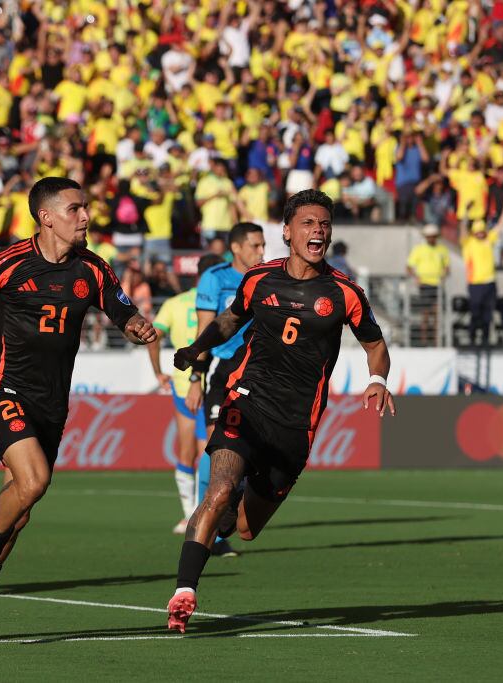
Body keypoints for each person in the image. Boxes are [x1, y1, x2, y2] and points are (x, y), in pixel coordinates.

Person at [0, 177, 156, 645]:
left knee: (22, 506)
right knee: (34, 482)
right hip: (0, 387)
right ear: (46, 217)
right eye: (75, 209)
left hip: (53, 401)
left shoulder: (94, 268)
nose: (86, 217)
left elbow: (122, 312)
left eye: (86, 207)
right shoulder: (7, 263)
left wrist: (137, 326)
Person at [166, 190, 395, 633]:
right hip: (246, 400)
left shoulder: (345, 292)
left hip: (295, 425)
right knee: (218, 489)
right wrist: (197, 349)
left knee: (244, 526)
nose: (318, 231)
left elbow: (375, 345)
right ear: (287, 232)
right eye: (308, 223)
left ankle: (222, 519)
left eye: (324, 224)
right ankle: (183, 592)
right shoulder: (258, 279)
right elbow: (231, 320)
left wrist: (378, 379)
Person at [191, 222, 266, 557]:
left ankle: (225, 515)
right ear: (237, 248)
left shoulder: (267, 278)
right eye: (255, 246)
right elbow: (207, 328)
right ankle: (207, 534)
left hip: (258, 374)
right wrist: (196, 376)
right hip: (222, 373)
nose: (261, 252)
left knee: (252, 457)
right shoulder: (216, 278)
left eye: (264, 245)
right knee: (215, 449)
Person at [148, 254, 223, 534]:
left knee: (188, 451)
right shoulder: (221, 299)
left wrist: (157, 371)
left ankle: (189, 515)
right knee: (211, 451)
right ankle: (203, 516)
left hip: (184, 386)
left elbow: (153, 336)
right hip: (212, 383)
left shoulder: (174, 304)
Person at [406, 224, 450, 346]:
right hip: (424, 285)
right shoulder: (419, 249)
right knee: (425, 314)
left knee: (436, 314)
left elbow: (446, 267)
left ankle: (436, 341)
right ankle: (424, 341)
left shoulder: (442, 249)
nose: (431, 239)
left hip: (438, 286)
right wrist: (416, 277)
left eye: (433, 236)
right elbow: (409, 267)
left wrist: (444, 275)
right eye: (429, 236)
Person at [460, 219, 500, 346]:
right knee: (475, 312)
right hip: (475, 283)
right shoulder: (469, 244)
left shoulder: (488, 241)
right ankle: (472, 337)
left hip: (490, 282)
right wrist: (465, 216)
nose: (480, 234)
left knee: (488, 313)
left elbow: (500, 227)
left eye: (482, 232)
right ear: (473, 233)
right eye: (477, 232)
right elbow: (463, 231)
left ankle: (485, 338)